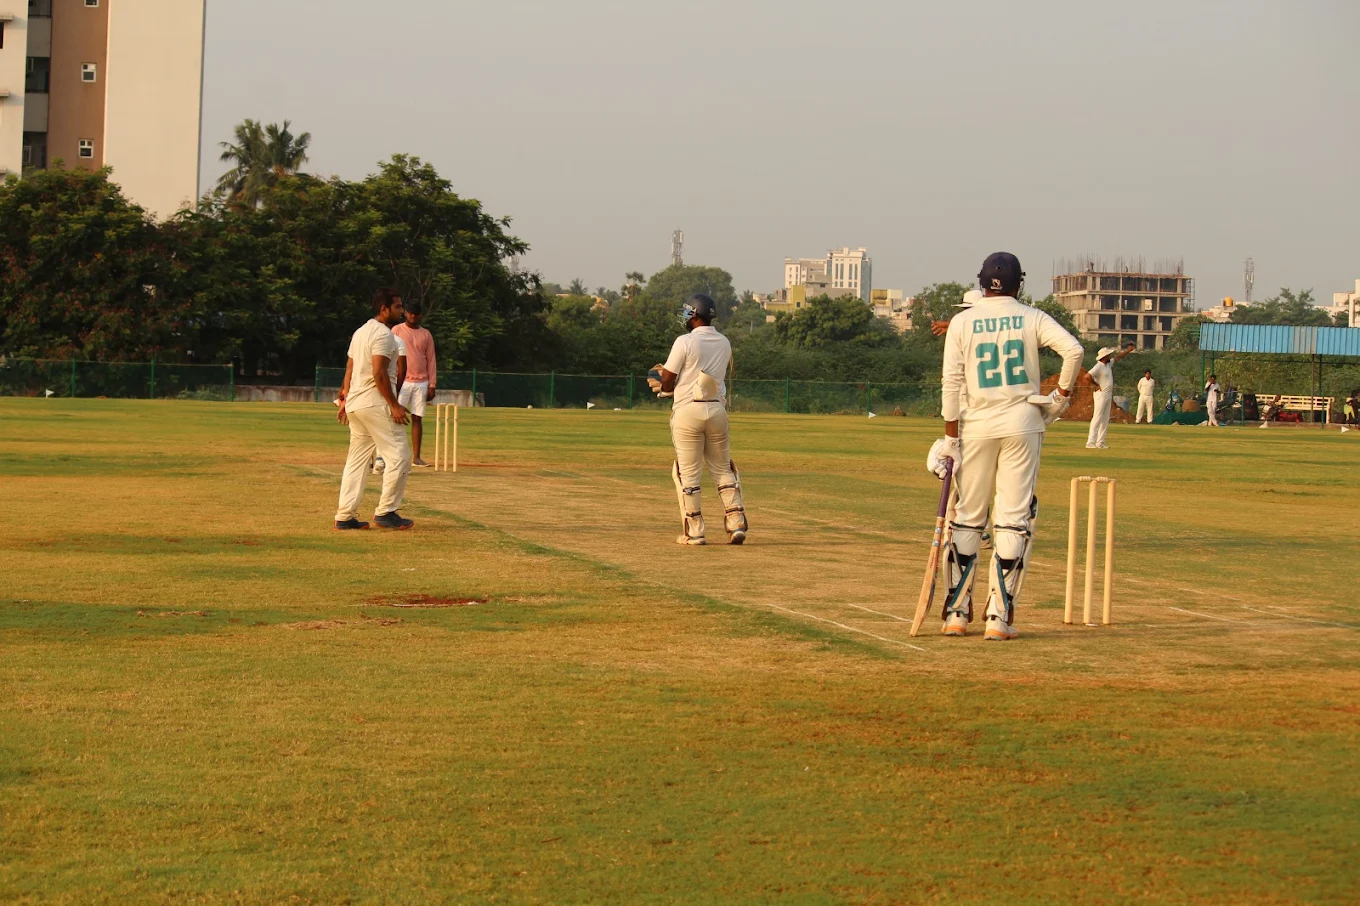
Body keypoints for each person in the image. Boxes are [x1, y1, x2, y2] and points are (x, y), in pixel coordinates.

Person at [927, 252, 1084, 640]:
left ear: (982, 283)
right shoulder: (1032, 317)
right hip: (1023, 423)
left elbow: (950, 383)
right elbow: (1074, 351)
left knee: (967, 517)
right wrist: (1061, 394)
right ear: (1020, 283)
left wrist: (950, 438)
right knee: (1013, 518)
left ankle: (956, 614)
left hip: (976, 425)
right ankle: (998, 618)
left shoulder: (963, 322)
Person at [647, 294, 748, 546]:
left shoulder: (684, 341)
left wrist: (664, 386)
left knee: (688, 473)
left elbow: (668, 379)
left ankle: (694, 531)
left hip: (688, 411)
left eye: (687, 312)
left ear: (695, 314)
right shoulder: (724, 342)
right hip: (716, 410)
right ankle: (735, 523)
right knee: (722, 468)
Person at [334, 289, 414, 531]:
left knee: (356, 461)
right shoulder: (383, 335)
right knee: (400, 456)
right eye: (398, 307)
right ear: (384, 309)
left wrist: (345, 399)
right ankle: (386, 511)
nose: (402, 311)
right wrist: (394, 405)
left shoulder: (360, 332)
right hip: (374, 403)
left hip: (357, 403)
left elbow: (350, 368)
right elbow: (379, 373)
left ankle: (345, 516)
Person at [392, 302, 438, 467]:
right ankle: (386, 457)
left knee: (417, 418)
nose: (412, 316)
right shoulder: (396, 331)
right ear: (405, 313)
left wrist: (432, 384)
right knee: (393, 417)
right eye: (410, 313)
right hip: (401, 381)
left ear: (420, 315)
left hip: (421, 381)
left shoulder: (426, 334)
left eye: (416, 314)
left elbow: (431, 359)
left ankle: (416, 458)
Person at [1086, 343, 1135, 448]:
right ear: (1104, 356)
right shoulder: (1098, 366)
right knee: (1097, 418)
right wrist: (1096, 385)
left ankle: (1101, 442)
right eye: (1108, 355)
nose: (1110, 356)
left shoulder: (1107, 364)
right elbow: (1087, 376)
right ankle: (1090, 442)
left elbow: (1118, 357)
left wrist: (1128, 350)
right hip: (1101, 394)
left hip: (1108, 394)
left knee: (1105, 418)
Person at [371, 332, 406, 475]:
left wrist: (345, 391)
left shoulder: (361, 334)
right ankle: (379, 461)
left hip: (363, 395)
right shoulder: (394, 340)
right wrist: (394, 400)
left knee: (374, 430)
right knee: (385, 429)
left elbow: (351, 367)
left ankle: (376, 461)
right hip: (381, 392)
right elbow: (400, 370)